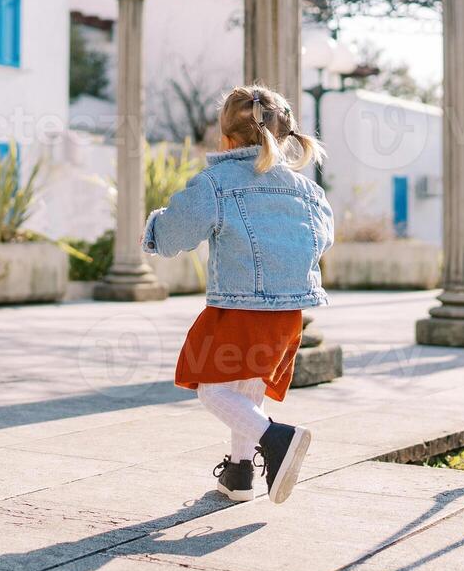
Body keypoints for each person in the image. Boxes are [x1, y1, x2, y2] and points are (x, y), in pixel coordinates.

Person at [142, 85, 334, 504]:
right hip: (289, 312)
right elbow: (322, 241)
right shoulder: (308, 191)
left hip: (240, 306)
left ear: (225, 139)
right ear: (285, 138)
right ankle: (240, 473)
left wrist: (155, 226)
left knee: (213, 389)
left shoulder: (217, 182)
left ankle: (277, 438)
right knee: (248, 387)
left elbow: (175, 235)